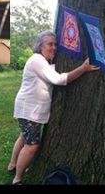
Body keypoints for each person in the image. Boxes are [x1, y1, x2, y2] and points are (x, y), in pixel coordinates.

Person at [9, 32, 98, 184]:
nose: (54, 47)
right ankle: (18, 178)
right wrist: (82, 69)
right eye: (50, 44)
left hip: (29, 108)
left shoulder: (43, 61)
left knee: (24, 136)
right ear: (40, 46)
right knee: (31, 145)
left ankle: (12, 165)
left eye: (55, 44)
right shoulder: (37, 60)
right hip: (29, 109)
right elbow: (58, 79)